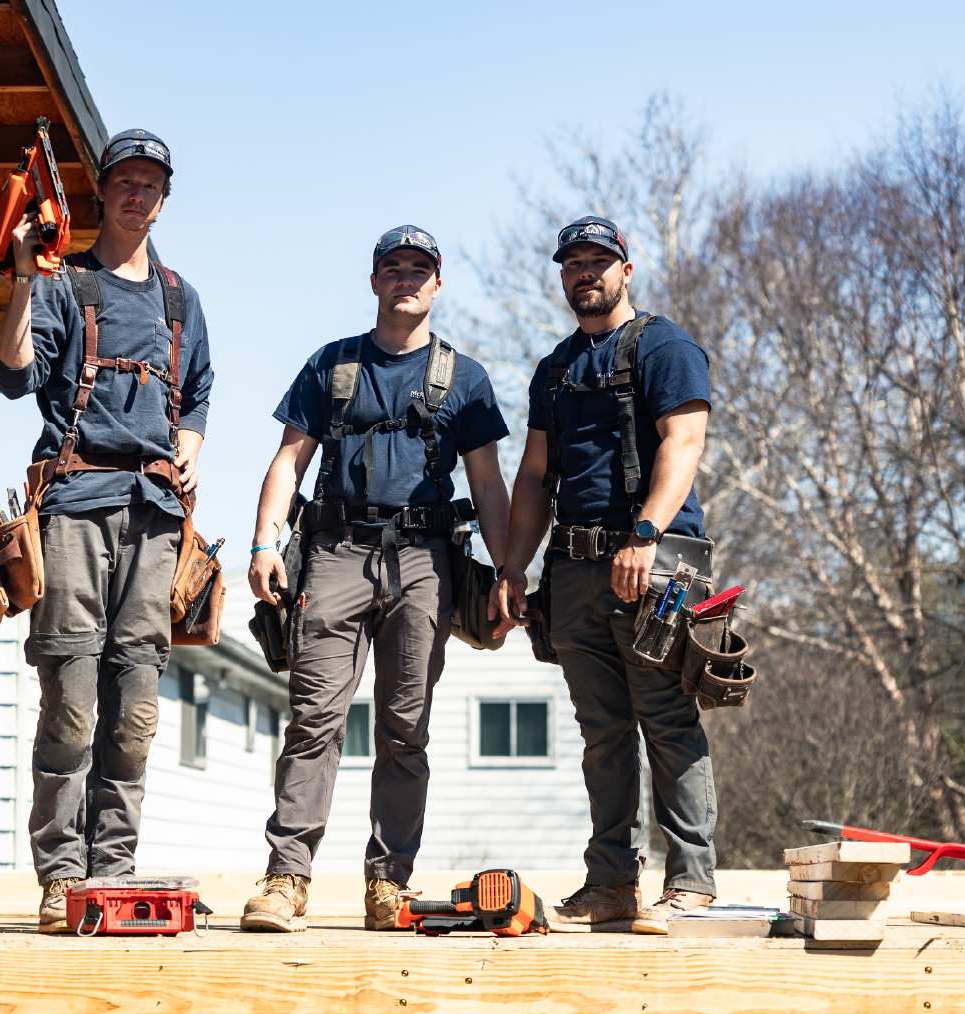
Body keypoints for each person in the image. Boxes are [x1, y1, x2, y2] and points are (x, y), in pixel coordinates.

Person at [242, 225, 511, 932]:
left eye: (418, 269)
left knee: (404, 727)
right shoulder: (332, 366)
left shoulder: (466, 379)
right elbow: (286, 461)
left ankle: (388, 882)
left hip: (424, 563)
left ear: (438, 283)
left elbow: (487, 483)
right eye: (392, 268)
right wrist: (265, 542)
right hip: (333, 551)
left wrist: (510, 570)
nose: (405, 279)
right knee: (314, 718)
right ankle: (285, 878)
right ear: (373, 282)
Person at [0, 129, 214, 932]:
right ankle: (61, 875)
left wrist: (187, 449)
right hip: (76, 507)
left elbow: (197, 397)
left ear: (163, 198)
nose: (137, 193)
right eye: (125, 180)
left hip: (156, 518)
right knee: (73, 700)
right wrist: (24, 276)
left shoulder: (179, 299)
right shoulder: (64, 285)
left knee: (136, 710)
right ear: (103, 192)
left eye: (151, 182)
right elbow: (14, 375)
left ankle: (111, 874)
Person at [493, 216, 715, 934]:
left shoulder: (663, 345)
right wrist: (513, 567)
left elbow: (682, 441)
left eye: (598, 261)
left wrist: (646, 531)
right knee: (601, 731)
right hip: (575, 569)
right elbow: (533, 475)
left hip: (655, 562)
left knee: (667, 718)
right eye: (572, 263)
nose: (584, 272)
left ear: (626, 268)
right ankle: (613, 883)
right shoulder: (554, 369)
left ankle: (690, 884)